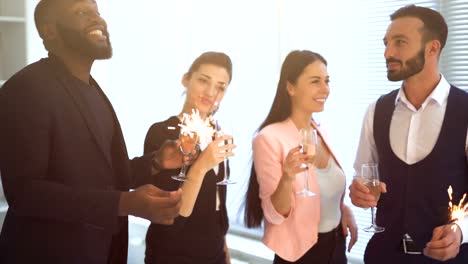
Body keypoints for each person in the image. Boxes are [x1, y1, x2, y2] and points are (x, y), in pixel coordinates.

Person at [0, 0, 187, 263]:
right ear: (49, 30)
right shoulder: (25, 89)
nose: (97, 19)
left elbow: (101, 179)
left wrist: (156, 163)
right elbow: (25, 193)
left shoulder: (94, 91)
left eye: (97, 12)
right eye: (81, 12)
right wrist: (124, 203)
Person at [349, 4, 468, 263]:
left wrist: (461, 230)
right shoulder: (376, 111)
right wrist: (359, 193)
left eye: (400, 42)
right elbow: (363, 177)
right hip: (383, 256)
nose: (388, 52)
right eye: (386, 43)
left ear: (433, 48)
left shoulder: (466, 111)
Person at [244, 50, 357, 263]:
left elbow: (322, 188)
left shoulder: (321, 130)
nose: (325, 89)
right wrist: (287, 178)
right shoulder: (269, 138)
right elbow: (275, 213)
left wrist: (343, 210)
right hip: (300, 255)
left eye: (327, 80)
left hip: (336, 247)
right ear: (291, 87)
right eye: (315, 81)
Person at [143, 51, 235, 264]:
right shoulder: (161, 133)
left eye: (221, 87)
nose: (211, 92)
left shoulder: (218, 133)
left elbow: (217, 204)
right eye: (204, 80)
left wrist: (224, 251)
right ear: (186, 79)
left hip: (214, 253)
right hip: (172, 253)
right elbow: (172, 214)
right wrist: (201, 166)